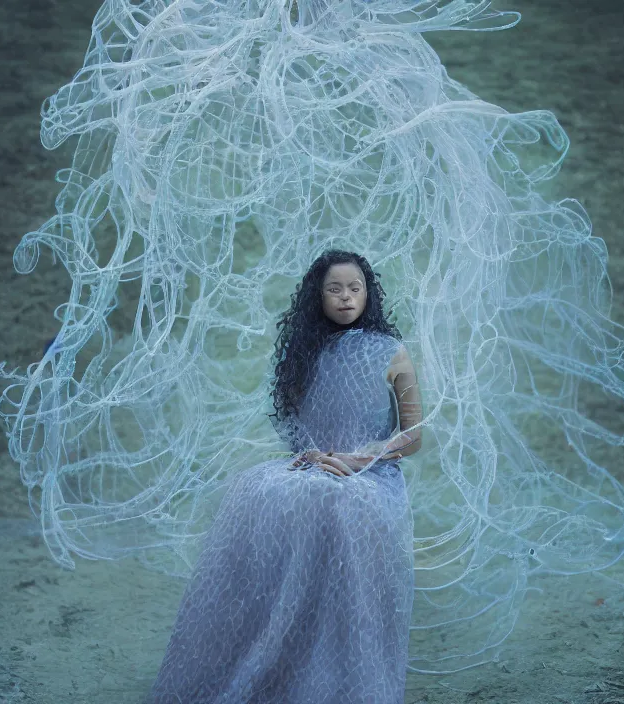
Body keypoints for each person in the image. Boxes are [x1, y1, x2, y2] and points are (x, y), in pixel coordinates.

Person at [146, 249, 423, 703]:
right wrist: (311, 453)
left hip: (370, 473)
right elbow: (297, 423)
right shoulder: (304, 350)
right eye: (334, 289)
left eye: (355, 288)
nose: (346, 297)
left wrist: (363, 457)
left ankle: (335, 674)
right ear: (317, 296)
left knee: (340, 502)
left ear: (369, 294)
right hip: (313, 463)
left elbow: (413, 434)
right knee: (256, 489)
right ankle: (273, 660)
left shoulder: (391, 351)